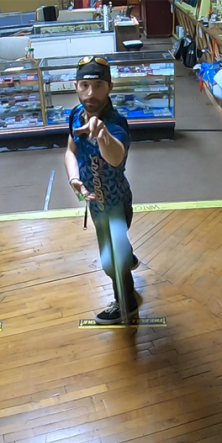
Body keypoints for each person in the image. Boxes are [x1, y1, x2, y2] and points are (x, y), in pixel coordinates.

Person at [64, 56, 140, 325]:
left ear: (110, 87)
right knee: (117, 251)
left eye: (98, 86)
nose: (90, 93)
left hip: (116, 206)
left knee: (110, 263)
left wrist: (103, 134)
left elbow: (116, 157)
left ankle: (126, 304)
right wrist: (74, 178)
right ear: (76, 85)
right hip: (95, 204)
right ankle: (127, 256)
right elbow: (71, 150)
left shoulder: (116, 124)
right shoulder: (75, 115)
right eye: (84, 85)